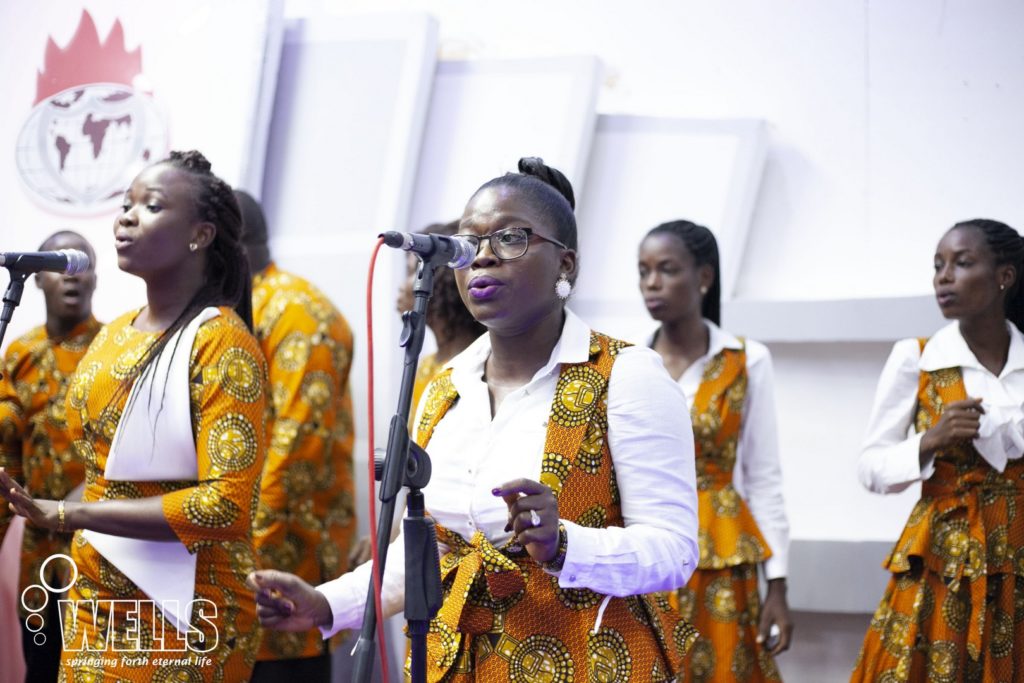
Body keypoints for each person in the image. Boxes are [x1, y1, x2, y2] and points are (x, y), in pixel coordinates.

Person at [249, 157, 701, 681]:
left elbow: (674, 551)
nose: (482, 257)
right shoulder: (445, 388)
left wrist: (564, 545)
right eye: (469, 243)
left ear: (566, 264)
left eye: (510, 239)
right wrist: (326, 604)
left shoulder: (625, 374)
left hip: (586, 663)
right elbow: (437, 551)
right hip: (455, 663)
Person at [0, 150, 266, 682]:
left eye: (151, 206)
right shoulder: (114, 334)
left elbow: (225, 507)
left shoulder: (221, 342)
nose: (126, 217)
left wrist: (70, 513)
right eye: (125, 205)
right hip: (95, 595)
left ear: (200, 235)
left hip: (186, 612)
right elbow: (100, 466)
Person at [852, 218, 1024, 681]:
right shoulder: (918, 357)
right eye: (937, 266)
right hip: (942, 566)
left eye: (961, 263)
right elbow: (871, 468)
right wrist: (930, 439)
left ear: (1004, 276)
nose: (943, 278)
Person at [638, 220, 793, 682]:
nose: (651, 283)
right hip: (646, 548)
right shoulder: (629, 362)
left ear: (704, 276)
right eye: (643, 271)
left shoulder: (746, 359)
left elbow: (763, 477)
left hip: (723, 556)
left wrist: (778, 585)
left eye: (667, 269)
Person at [234, 190, 357, 682]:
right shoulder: (242, 306)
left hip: (283, 563)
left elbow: (296, 449)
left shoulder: (298, 313)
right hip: (233, 566)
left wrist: (239, 556)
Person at [0, 230, 100, 682]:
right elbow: (7, 457)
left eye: (83, 265)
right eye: (59, 267)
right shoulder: (20, 353)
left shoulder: (116, 348)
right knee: (39, 664)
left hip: (99, 538)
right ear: (38, 278)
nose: (72, 277)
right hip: (37, 547)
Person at [396, 219, 487, 414]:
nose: (402, 286)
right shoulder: (426, 366)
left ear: (441, 279)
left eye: (412, 271)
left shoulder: (476, 370)